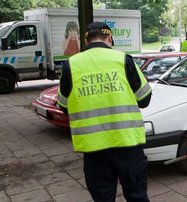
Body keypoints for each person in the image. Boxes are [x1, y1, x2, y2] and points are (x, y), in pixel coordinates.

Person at [57, 21, 152, 202]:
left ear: (86, 41)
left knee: (103, 198)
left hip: (94, 148)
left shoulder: (71, 65)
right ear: (109, 38)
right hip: (127, 144)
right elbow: (144, 99)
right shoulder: (123, 59)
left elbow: (63, 106)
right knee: (137, 196)